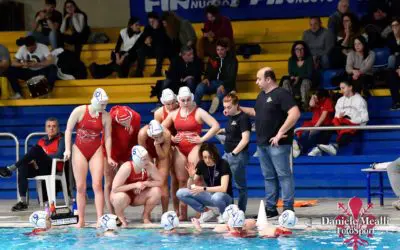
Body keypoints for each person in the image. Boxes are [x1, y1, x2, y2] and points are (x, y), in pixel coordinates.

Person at [241, 67, 301, 218]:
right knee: (269, 177)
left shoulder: (281, 94)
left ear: (268, 79)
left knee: (284, 175)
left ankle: (288, 209)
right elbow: (257, 112)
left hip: (278, 144)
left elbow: (295, 113)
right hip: (262, 144)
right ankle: (271, 209)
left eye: (259, 79)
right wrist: (238, 108)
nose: (256, 82)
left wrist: (280, 133)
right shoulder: (261, 95)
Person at [162, 86, 220, 221]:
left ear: (191, 98)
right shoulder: (174, 113)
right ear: (179, 100)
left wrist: (202, 139)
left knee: (196, 179)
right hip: (180, 148)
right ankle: (183, 214)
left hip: (195, 146)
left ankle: (201, 212)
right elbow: (161, 127)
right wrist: (170, 137)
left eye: (188, 100)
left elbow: (215, 125)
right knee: (182, 180)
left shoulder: (198, 111)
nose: (186, 102)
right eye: (183, 100)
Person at [64, 88, 116, 228]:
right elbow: (68, 130)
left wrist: (109, 156)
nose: (104, 107)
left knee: (97, 185)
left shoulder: (105, 116)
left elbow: (108, 136)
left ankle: (100, 218)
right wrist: (67, 149)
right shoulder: (79, 111)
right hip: (79, 149)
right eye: (102, 104)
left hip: (96, 149)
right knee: (80, 187)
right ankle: (81, 220)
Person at [0, 118, 64, 211]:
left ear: (58, 128)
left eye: (54, 126)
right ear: (45, 129)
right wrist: (34, 160)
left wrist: (41, 155)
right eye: (49, 126)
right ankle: (22, 202)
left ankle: (10, 169)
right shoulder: (41, 141)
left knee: (36, 149)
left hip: (53, 168)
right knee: (23, 166)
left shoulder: (61, 139)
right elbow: (34, 156)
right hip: (40, 167)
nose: (51, 129)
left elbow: (59, 155)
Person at [176, 142, 233, 223]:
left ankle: (223, 214)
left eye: (210, 157)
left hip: (224, 198)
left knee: (216, 197)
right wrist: (191, 176)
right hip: (210, 196)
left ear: (215, 155)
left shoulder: (223, 163)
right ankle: (206, 211)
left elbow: (223, 188)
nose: (207, 160)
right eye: (205, 157)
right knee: (181, 193)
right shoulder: (201, 164)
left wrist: (203, 188)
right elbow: (190, 187)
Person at [111, 145, 162, 225]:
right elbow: (115, 189)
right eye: (144, 159)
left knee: (157, 191)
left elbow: (160, 181)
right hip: (125, 195)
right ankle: (120, 217)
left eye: (147, 158)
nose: (147, 161)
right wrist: (135, 185)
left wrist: (145, 183)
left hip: (138, 196)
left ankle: (145, 216)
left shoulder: (149, 166)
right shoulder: (127, 167)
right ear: (137, 160)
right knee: (119, 198)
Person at [103, 105, 141, 215]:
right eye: (122, 122)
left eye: (127, 120)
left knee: (121, 182)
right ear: (117, 120)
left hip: (126, 150)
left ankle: (119, 213)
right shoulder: (110, 119)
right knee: (109, 181)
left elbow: (135, 140)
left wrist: (129, 156)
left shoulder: (136, 117)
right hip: (111, 149)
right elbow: (106, 139)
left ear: (131, 116)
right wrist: (109, 157)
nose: (126, 123)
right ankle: (111, 214)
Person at [318, 81, 369, 156]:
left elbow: (365, 118)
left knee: (347, 129)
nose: (341, 90)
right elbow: (336, 116)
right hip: (341, 123)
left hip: (354, 125)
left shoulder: (360, 100)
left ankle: (335, 147)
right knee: (327, 128)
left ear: (350, 87)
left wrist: (351, 121)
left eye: (343, 88)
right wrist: (340, 116)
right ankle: (319, 148)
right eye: (340, 88)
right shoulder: (340, 100)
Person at [220, 92, 251, 212]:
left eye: (229, 107)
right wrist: (221, 131)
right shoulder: (230, 116)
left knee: (240, 186)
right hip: (227, 154)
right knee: (225, 183)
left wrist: (234, 153)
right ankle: (230, 210)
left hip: (237, 155)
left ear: (236, 105)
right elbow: (231, 130)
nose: (226, 110)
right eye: (224, 107)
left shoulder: (243, 118)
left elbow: (245, 139)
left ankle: (241, 211)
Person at [154, 88, 180, 214]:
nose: (170, 106)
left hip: (180, 144)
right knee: (164, 178)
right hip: (166, 145)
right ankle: (165, 212)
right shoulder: (159, 113)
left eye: (172, 103)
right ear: (163, 103)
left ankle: (177, 210)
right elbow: (156, 134)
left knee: (176, 177)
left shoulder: (182, 106)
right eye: (167, 104)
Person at [195, 38, 238, 114]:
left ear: (227, 49)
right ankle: (195, 108)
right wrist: (206, 78)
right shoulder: (213, 57)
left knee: (219, 94)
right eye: (218, 49)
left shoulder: (233, 60)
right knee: (200, 87)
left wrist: (223, 85)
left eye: (222, 49)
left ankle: (210, 113)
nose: (219, 52)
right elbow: (208, 71)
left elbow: (232, 78)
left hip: (227, 84)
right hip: (213, 82)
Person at [138, 120, 171, 213]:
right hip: (147, 154)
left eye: (160, 135)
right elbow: (144, 154)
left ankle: (165, 213)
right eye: (155, 136)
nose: (158, 137)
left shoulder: (166, 134)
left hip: (162, 154)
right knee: (149, 179)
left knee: (162, 182)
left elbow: (163, 156)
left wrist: (157, 144)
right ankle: (146, 214)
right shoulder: (142, 134)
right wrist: (151, 167)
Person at [292, 89, 334, 157]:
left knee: (311, 134)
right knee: (303, 133)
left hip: (323, 124)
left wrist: (315, 127)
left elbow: (323, 116)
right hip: (313, 123)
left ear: (323, 97)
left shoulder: (327, 101)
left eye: (316, 98)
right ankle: (300, 148)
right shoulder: (316, 100)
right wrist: (313, 97)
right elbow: (311, 104)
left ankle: (303, 149)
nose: (316, 99)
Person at [136, 12, 172, 77]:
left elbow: (164, 41)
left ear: (158, 20)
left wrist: (154, 33)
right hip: (153, 50)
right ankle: (139, 72)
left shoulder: (163, 26)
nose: (151, 23)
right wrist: (145, 42)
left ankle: (158, 71)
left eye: (153, 21)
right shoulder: (148, 28)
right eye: (150, 22)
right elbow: (139, 41)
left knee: (159, 47)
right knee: (140, 50)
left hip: (164, 51)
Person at [281, 41, 313, 110]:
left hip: (306, 80)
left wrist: (299, 77)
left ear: (305, 50)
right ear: (294, 51)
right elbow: (291, 73)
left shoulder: (309, 59)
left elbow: (309, 74)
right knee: (285, 82)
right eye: (297, 49)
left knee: (305, 82)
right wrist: (294, 78)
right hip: (295, 81)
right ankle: (290, 105)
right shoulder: (291, 60)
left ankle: (304, 105)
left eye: (301, 49)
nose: (299, 51)